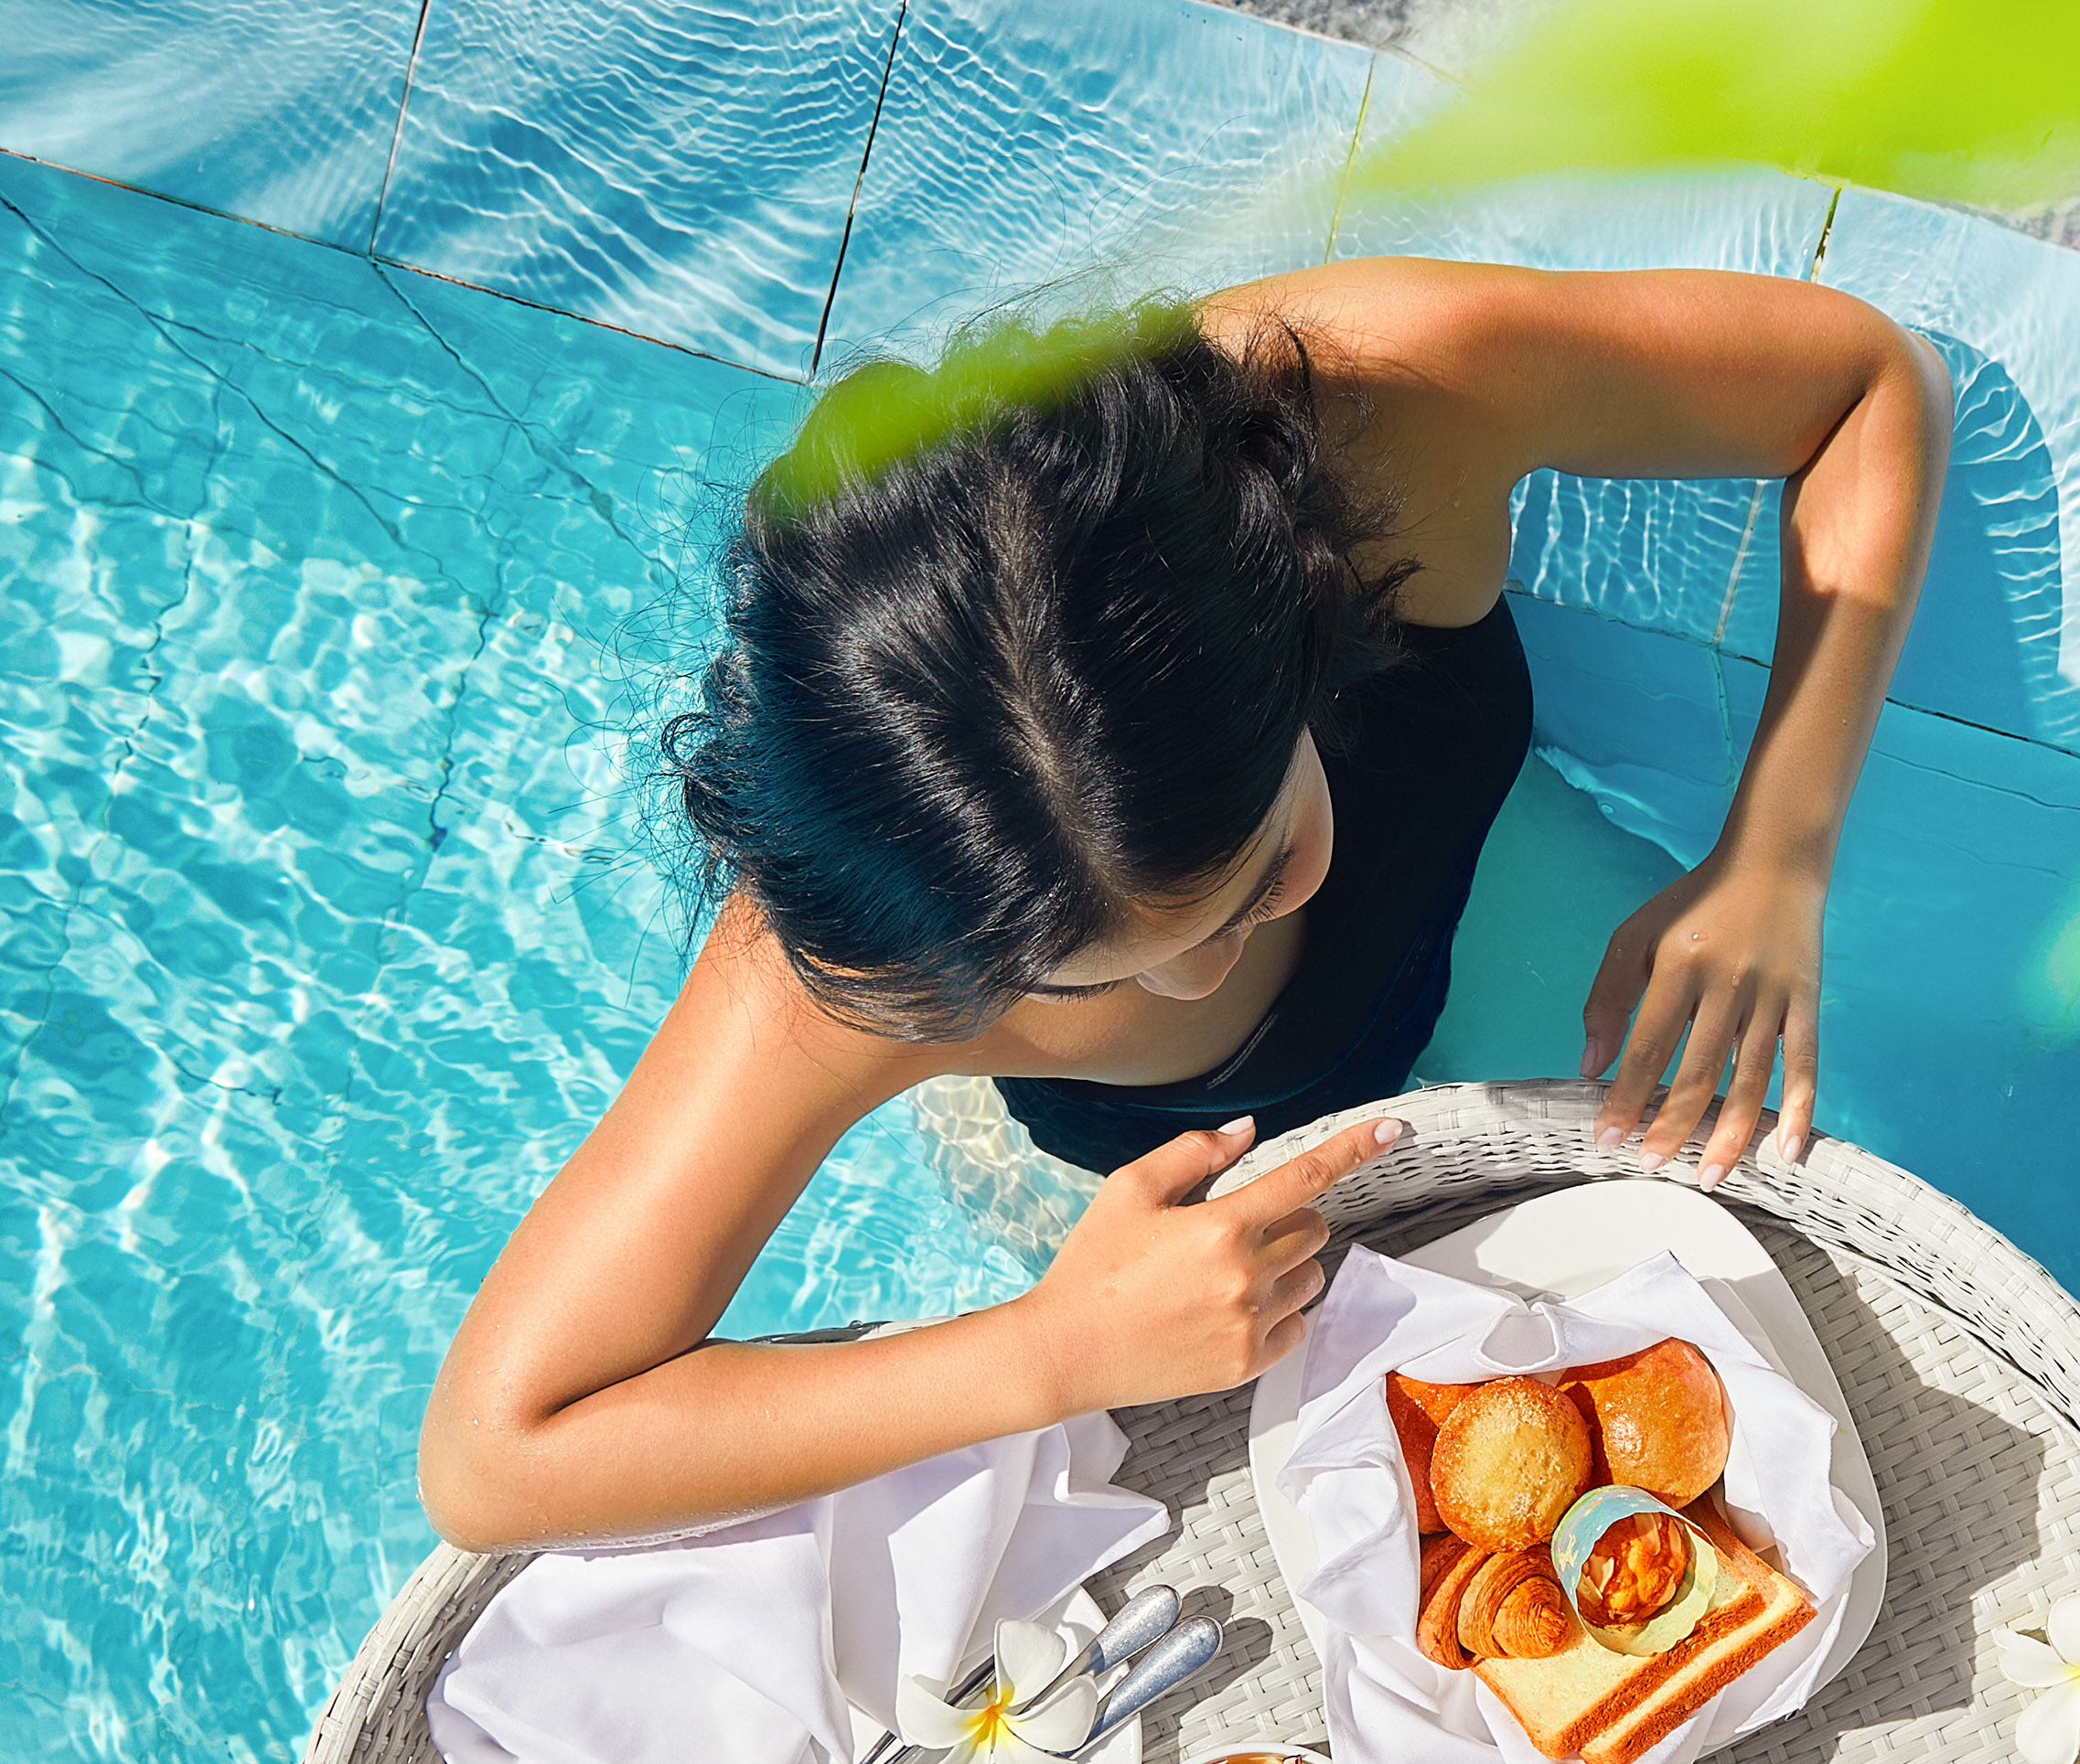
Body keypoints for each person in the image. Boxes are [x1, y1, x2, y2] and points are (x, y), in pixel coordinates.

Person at [418, 264, 1950, 1552]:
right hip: (1166, 1185)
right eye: (1099, 979)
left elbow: (1864, 387)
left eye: (1257, 874)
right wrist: (1046, 1350)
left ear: (1308, 609)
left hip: (1431, 961)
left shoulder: (1388, 406)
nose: (1205, 974)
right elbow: (497, 1460)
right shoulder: (868, 954)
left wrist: (1776, 856)